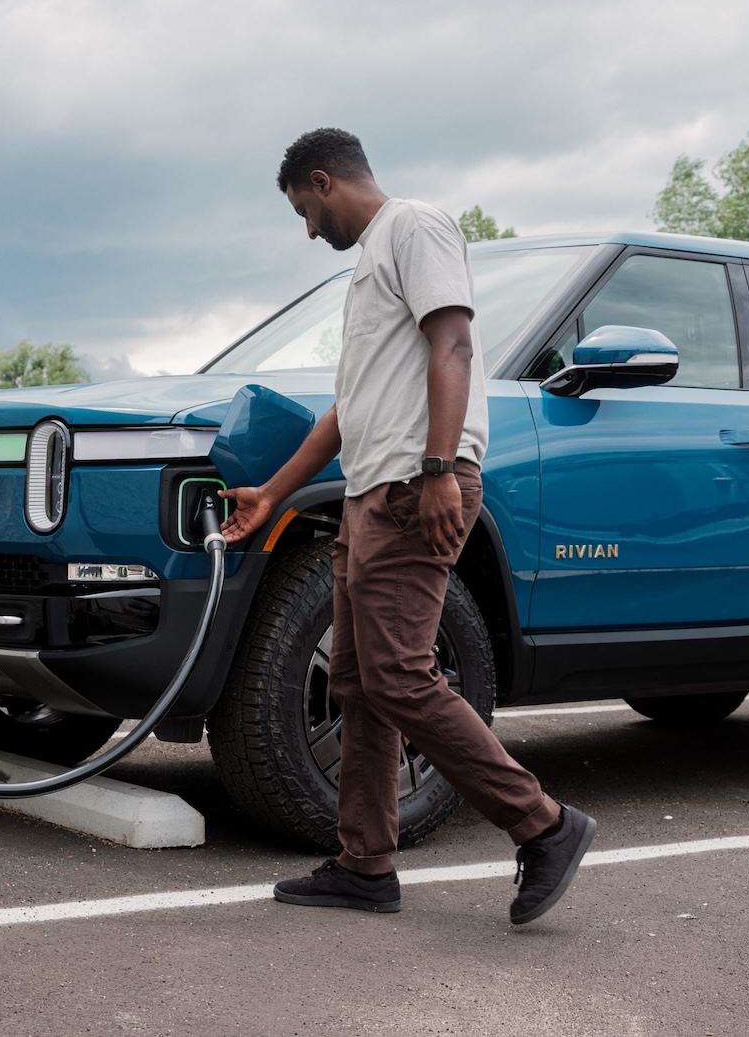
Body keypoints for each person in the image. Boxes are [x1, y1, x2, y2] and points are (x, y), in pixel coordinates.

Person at [218, 128, 595, 926]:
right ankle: (364, 864)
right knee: (359, 685)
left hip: (411, 487)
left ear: (324, 181)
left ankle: (545, 824)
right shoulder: (369, 274)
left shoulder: (416, 226)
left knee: (398, 675)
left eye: (304, 210)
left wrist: (437, 466)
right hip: (371, 494)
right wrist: (274, 496)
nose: (309, 230)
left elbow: (453, 342)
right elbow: (345, 414)